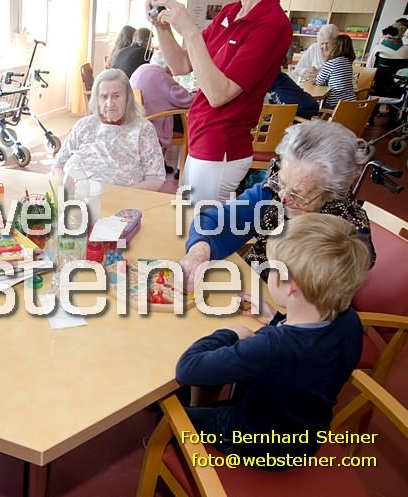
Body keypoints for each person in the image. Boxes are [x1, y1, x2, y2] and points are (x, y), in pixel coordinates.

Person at [176, 212, 371, 460]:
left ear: (291, 286)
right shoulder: (351, 322)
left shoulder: (271, 346)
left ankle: (170, 454)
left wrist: (230, 333)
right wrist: (275, 319)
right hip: (305, 436)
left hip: (257, 443)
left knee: (173, 414)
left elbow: (188, 369)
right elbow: (308, 352)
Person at [180, 120, 376, 294]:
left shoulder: (347, 233)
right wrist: (199, 253)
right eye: (282, 182)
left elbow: (320, 305)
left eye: (298, 193)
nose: (283, 197)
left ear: (332, 193)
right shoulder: (272, 190)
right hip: (252, 289)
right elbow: (216, 221)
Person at [147, 0, 292, 204]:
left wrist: (190, 31)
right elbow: (181, 65)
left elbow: (218, 95)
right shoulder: (231, 11)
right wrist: (161, 25)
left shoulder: (272, 24)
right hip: (201, 136)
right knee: (185, 214)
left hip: (221, 143)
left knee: (197, 219)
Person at [53, 69, 166, 191]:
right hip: (79, 195)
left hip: (123, 198)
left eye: (116, 96)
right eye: (104, 97)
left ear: (128, 98)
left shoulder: (143, 128)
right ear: (97, 99)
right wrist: (65, 189)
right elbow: (58, 164)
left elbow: (155, 179)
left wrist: (121, 195)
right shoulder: (84, 125)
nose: (110, 103)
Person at [130, 51, 196, 168]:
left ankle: (166, 164)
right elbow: (185, 100)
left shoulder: (142, 69)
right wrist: (197, 93)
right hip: (154, 123)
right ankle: (181, 167)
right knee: (191, 123)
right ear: (167, 66)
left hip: (140, 120)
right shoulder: (161, 76)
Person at [316, 34, 357, 109]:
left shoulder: (332, 63)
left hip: (335, 103)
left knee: (313, 108)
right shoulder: (348, 62)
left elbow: (319, 82)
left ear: (335, 47)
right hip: (350, 102)